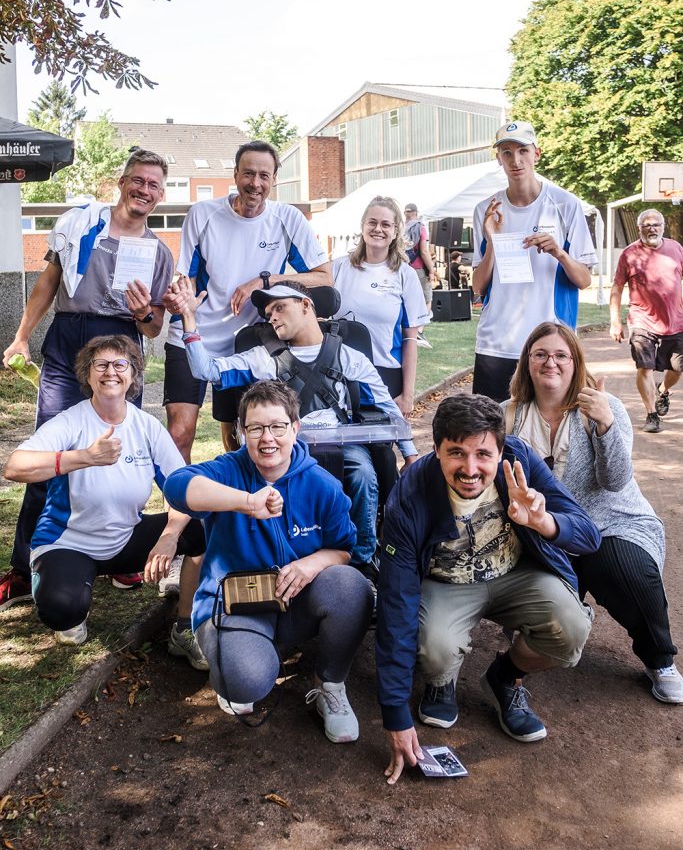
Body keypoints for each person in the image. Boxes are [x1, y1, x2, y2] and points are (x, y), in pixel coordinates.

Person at [375, 392, 600, 785]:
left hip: (515, 573)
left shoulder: (521, 461)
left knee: (571, 629)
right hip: (446, 583)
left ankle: (504, 677)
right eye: (456, 453)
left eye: (483, 454)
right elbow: (395, 601)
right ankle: (440, 683)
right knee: (433, 648)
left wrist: (542, 522)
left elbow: (588, 535)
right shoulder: (410, 496)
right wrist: (395, 713)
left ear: (501, 450)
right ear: (437, 450)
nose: (470, 468)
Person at [1, 148, 174, 611]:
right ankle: (26, 564)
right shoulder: (79, 225)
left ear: (160, 195)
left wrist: (143, 315)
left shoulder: (159, 252)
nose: (144, 190)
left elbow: (154, 327)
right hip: (68, 336)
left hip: (120, 340)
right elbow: (48, 283)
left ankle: (119, 554)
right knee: (49, 450)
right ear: (122, 181)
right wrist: (21, 337)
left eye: (154, 185)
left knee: (119, 451)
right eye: (138, 180)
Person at [163, 380, 374, 741]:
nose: (267, 439)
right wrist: (246, 502)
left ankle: (330, 684)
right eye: (256, 428)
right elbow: (177, 487)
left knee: (352, 587)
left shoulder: (322, 484)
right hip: (235, 604)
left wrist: (311, 564)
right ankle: (248, 654)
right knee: (245, 682)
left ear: (295, 428)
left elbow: (343, 549)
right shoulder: (228, 471)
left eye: (277, 426)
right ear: (242, 431)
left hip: (295, 601)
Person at [172, 277, 408, 574]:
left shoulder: (349, 355)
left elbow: (388, 407)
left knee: (363, 474)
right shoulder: (262, 357)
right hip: (283, 445)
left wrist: (410, 454)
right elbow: (206, 370)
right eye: (269, 314)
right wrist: (189, 319)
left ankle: (360, 560)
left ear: (306, 305)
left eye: (280, 307)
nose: (272, 317)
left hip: (341, 443)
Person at [3, 335, 207, 668]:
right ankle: (58, 585)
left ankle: (184, 628)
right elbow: (14, 466)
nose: (110, 371)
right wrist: (83, 457)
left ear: (133, 375)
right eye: (101, 364)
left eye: (120, 364)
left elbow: (185, 491)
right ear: (87, 374)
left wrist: (170, 536)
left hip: (124, 538)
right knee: (62, 612)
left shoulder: (147, 427)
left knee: (200, 526)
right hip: (67, 544)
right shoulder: (72, 420)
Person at [505, 321, 682, 704]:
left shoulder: (603, 407)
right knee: (527, 594)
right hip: (542, 533)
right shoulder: (507, 416)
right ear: (527, 362)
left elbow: (616, 481)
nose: (550, 362)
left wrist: (605, 425)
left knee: (619, 564)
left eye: (561, 355)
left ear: (575, 362)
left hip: (612, 522)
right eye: (540, 354)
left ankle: (659, 658)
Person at [162, 139, 331, 462]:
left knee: (241, 438)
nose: (256, 183)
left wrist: (266, 280)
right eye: (249, 174)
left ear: (274, 180)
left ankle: (247, 508)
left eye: (264, 176)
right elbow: (186, 275)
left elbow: (324, 277)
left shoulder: (288, 218)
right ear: (236, 174)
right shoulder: (203, 214)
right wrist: (179, 297)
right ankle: (180, 511)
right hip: (193, 337)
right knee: (180, 434)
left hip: (249, 342)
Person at [471, 121, 596, 403]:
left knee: (550, 432)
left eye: (523, 151)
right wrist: (492, 240)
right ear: (498, 159)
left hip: (550, 345)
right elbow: (478, 287)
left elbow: (585, 280)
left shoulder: (565, 204)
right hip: (497, 343)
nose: (515, 160)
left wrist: (559, 253)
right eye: (506, 153)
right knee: (490, 433)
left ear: (536, 154)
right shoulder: (486, 209)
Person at [331, 195, 428, 466]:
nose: (378, 229)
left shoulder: (404, 275)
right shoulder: (338, 267)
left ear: (396, 230)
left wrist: (407, 395)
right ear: (362, 226)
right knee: (344, 454)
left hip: (385, 375)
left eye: (386, 224)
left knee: (382, 455)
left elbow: (411, 339)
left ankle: (383, 507)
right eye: (372, 222)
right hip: (341, 375)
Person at [609, 208, 683, 433]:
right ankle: (652, 415)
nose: (652, 228)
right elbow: (617, 286)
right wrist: (615, 320)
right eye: (647, 225)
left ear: (663, 227)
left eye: (656, 224)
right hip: (642, 320)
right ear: (639, 227)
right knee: (645, 367)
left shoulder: (676, 248)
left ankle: (663, 390)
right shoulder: (630, 254)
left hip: (675, 321)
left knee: (678, 367)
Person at [403, 203, 435, 349]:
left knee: (407, 300)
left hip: (403, 267)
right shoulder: (420, 227)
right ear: (417, 213)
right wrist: (432, 270)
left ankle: (406, 330)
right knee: (427, 298)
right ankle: (419, 332)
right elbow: (424, 251)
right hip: (418, 268)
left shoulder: (400, 227)